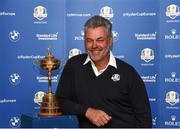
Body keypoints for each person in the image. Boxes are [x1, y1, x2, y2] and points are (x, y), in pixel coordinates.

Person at [55, 15, 152, 128]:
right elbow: (60, 102)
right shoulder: (74, 65)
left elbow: (144, 119)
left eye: (100, 40)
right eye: (89, 40)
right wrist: (87, 111)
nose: (94, 45)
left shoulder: (128, 73)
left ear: (110, 41)